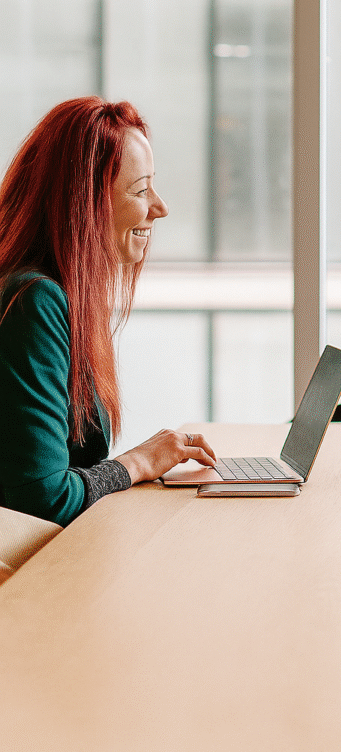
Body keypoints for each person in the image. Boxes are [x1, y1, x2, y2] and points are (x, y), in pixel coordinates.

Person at [0, 97, 217, 527]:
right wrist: (138, 462)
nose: (160, 208)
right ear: (85, 202)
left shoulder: (53, 290)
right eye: (141, 190)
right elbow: (44, 498)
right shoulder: (35, 300)